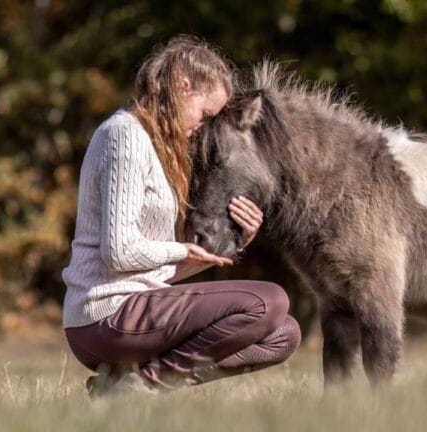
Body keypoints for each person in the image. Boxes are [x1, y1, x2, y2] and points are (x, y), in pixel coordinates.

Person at [61, 35, 301, 397]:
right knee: (269, 301)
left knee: (283, 334)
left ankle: (123, 385)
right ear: (182, 87)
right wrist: (180, 251)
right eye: (206, 115)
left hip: (136, 311)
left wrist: (236, 242)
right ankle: (145, 386)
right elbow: (119, 254)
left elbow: (150, 269)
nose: (205, 127)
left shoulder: (158, 147)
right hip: (103, 317)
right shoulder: (125, 136)